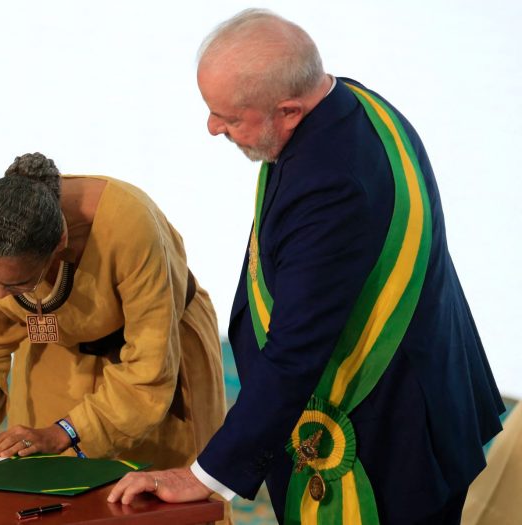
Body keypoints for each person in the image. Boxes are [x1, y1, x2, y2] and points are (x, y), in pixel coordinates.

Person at [108, 9, 504, 524]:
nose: (212, 128)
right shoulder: (350, 101)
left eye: (228, 117)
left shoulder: (331, 184)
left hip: (389, 435)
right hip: (428, 392)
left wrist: (204, 476)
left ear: (290, 109)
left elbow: (296, 351)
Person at [0, 152, 226, 473]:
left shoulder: (130, 227)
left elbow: (149, 372)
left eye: (17, 282)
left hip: (153, 353)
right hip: (54, 349)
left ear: (60, 242)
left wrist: (65, 432)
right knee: (39, 477)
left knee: (157, 494)